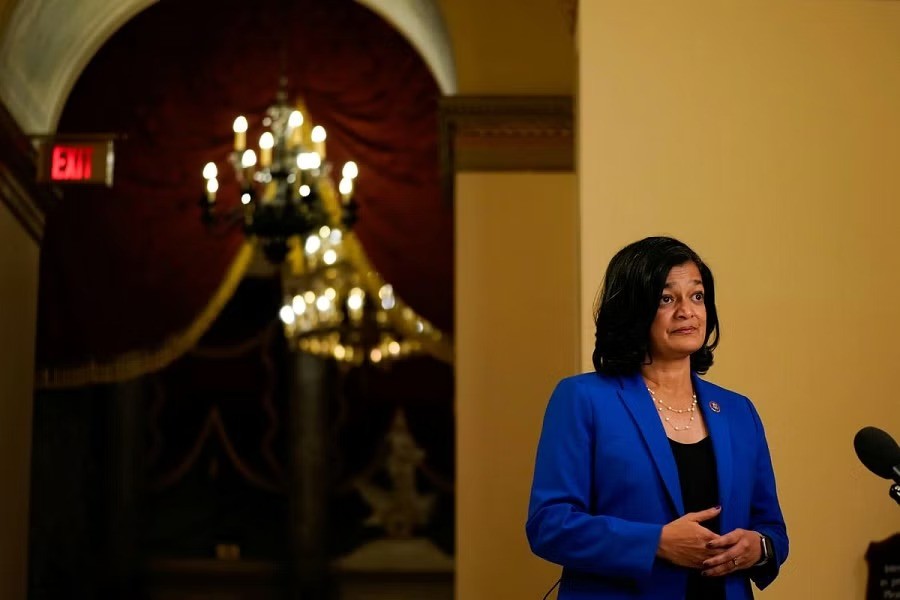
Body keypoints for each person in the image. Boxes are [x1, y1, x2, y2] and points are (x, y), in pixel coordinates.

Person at [526, 236, 788, 600]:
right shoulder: (583, 399)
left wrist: (759, 547)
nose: (686, 311)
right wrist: (655, 543)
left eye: (697, 296)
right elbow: (549, 525)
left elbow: (772, 528)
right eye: (667, 299)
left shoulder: (738, 411)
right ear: (633, 310)